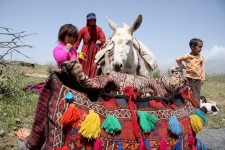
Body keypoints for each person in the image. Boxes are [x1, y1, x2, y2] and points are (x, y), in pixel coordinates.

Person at [74, 13, 106, 78]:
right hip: (85, 51)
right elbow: (77, 42)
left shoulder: (98, 29)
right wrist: (73, 49)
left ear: (95, 20)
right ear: (87, 21)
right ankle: (83, 81)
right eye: (90, 20)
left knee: (94, 67)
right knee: (83, 65)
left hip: (95, 50)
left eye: (93, 20)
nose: (92, 22)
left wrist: (100, 41)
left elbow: (103, 39)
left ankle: (92, 83)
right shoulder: (83, 29)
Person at [176, 38, 205, 105]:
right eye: (199, 47)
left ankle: (196, 107)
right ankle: (186, 106)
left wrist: (203, 78)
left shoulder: (201, 57)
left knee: (196, 94)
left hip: (197, 79)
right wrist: (182, 66)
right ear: (192, 47)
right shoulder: (187, 56)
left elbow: (202, 68)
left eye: (202, 47)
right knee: (187, 92)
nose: (201, 49)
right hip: (188, 78)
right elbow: (178, 60)